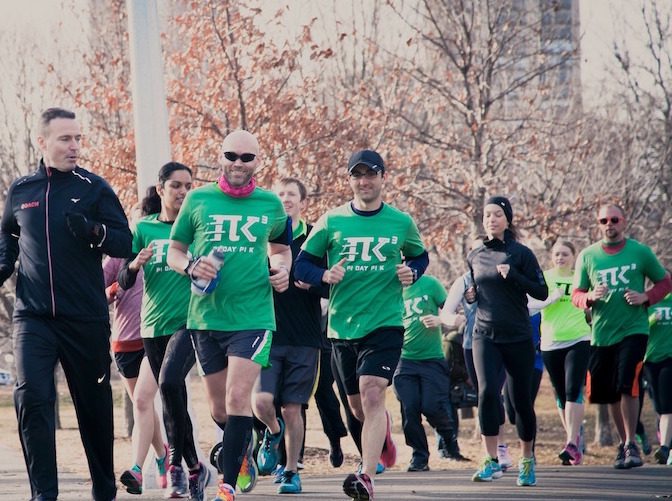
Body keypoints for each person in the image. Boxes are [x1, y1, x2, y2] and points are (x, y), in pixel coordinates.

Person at [0, 107, 132, 501]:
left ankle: (103, 490)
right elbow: (7, 241)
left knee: (92, 407)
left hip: (85, 317)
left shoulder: (94, 187)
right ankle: (44, 494)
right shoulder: (21, 191)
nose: (75, 146)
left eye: (78, 138)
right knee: (33, 397)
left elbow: (126, 243)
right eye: (65, 139)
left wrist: (96, 231)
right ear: (43, 142)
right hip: (32, 317)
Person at [294, 149, 428, 500]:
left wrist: (411, 271)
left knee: (372, 392)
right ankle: (381, 436)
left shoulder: (400, 222)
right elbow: (301, 265)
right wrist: (324, 273)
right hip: (341, 329)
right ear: (350, 180)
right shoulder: (332, 221)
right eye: (358, 175)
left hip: (385, 323)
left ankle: (366, 476)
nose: (364, 181)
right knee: (356, 406)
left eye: (371, 174)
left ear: (384, 178)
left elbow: (419, 254)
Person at [167, 130, 292, 501]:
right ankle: (244, 449)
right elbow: (174, 251)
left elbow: (282, 249)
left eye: (246, 157)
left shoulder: (271, 204)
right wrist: (190, 266)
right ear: (220, 157)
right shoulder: (198, 199)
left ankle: (227, 483)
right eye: (231, 156)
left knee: (239, 398)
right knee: (220, 408)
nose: (238, 163)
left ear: (258, 161)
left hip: (253, 315)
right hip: (206, 317)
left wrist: (282, 269)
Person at [118, 162, 211, 500]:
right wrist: (134, 264)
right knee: (173, 399)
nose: (183, 191)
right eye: (176, 185)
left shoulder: (197, 231)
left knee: (171, 383)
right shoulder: (143, 228)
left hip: (188, 322)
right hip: (151, 325)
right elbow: (124, 281)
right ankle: (193, 466)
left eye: (188, 185)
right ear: (160, 190)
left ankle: (174, 466)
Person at [572, 204, 671, 469]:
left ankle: (631, 445)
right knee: (610, 393)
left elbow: (665, 282)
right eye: (604, 220)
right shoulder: (588, 256)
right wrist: (590, 297)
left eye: (614, 219)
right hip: (602, 334)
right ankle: (624, 442)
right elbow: (576, 294)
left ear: (623, 222)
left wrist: (646, 297)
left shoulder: (640, 252)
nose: (609, 224)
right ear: (599, 224)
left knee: (628, 383)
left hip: (634, 329)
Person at [467, 196, 548, 487]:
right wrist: (470, 296)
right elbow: (475, 290)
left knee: (520, 401)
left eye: (497, 214)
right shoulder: (475, 255)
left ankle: (527, 460)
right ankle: (490, 459)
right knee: (487, 393)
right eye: (487, 215)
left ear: (507, 220)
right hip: (485, 334)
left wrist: (514, 275)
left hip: (517, 335)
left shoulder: (522, 254)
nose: (491, 219)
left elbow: (540, 291)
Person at [252, 177, 325, 494]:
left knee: (293, 407)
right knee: (262, 402)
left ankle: (291, 470)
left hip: (305, 338)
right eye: (279, 194)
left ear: (302, 201)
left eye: (291, 194)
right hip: (267, 334)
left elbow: (332, 284)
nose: (285, 199)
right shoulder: (262, 237)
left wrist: (315, 284)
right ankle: (271, 430)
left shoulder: (314, 240)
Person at [102, 255, 168, 493]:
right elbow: (94, 291)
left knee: (142, 400)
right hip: (123, 343)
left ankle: (136, 470)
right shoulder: (117, 258)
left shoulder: (163, 250)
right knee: (144, 406)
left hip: (151, 337)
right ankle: (162, 455)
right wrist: (112, 289)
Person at [526, 240, 591, 466]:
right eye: (556, 254)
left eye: (565, 254)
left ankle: (572, 443)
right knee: (561, 393)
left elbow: (590, 302)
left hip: (579, 337)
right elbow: (530, 305)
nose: (560, 258)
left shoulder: (581, 277)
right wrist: (547, 300)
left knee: (574, 388)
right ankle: (572, 439)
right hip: (551, 341)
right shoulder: (543, 277)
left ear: (573, 257)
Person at [393, 273, 465, 472]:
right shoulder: (389, 286)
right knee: (409, 409)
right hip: (403, 359)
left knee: (432, 406)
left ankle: (448, 435)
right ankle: (419, 457)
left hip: (432, 359)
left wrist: (439, 319)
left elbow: (453, 313)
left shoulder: (430, 284)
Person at [646, 289, 672, 465]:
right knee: (658, 406)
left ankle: (664, 447)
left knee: (667, 406)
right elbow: (638, 325)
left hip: (669, 358)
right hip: (649, 359)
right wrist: (650, 320)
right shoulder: (647, 301)